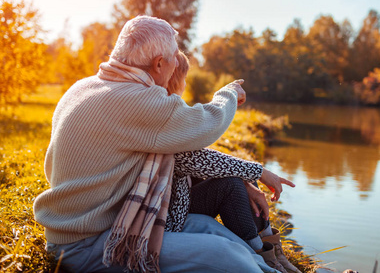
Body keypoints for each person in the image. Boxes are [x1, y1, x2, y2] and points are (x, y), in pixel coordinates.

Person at [33, 15, 286, 273]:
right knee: (224, 254)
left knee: (212, 230)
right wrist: (229, 93)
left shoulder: (84, 86)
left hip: (115, 222)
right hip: (85, 245)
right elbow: (205, 124)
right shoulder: (133, 99)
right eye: (175, 56)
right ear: (159, 63)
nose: (178, 63)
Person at [166, 51, 302, 273]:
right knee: (232, 185)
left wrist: (249, 176)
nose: (184, 83)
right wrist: (258, 171)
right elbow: (190, 158)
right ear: (176, 78)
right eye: (184, 77)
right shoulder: (162, 111)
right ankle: (265, 258)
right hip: (170, 212)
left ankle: (274, 249)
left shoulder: (168, 108)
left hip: (178, 196)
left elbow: (194, 154)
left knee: (243, 179)